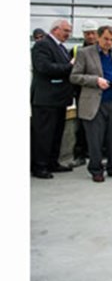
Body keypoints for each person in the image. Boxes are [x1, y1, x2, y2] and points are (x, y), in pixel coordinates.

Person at [70, 25, 112, 183]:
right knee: (95, 138)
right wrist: (95, 81)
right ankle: (96, 169)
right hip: (94, 103)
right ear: (98, 37)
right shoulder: (84, 53)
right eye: (106, 39)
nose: (109, 42)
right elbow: (75, 76)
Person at [30, 18, 75, 179]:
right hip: (45, 99)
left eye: (69, 31)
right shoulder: (43, 45)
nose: (68, 34)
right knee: (44, 134)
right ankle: (39, 166)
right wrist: (70, 66)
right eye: (66, 31)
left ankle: (52, 162)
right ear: (55, 29)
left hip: (59, 99)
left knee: (56, 133)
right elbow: (44, 67)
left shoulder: (61, 48)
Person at [69, 20, 99, 168]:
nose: (91, 36)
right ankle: (79, 154)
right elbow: (70, 72)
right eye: (88, 33)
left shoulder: (103, 50)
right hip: (82, 92)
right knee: (81, 126)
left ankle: (97, 154)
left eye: (93, 33)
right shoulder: (76, 49)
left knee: (100, 125)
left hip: (100, 92)